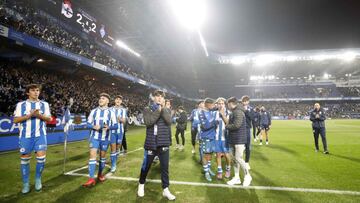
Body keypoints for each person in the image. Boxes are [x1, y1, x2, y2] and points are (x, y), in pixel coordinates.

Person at [13, 84, 52, 193]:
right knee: (25, 160)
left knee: (41, 158)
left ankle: (38, 179)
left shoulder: (44, 104)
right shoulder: (21, 105)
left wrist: (39, 115)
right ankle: (25, 184)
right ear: (27, 92)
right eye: (33, 90)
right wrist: (28, 116)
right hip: (25, 136)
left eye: (37, 90)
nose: (36, 92)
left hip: (40, 136)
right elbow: (15, 120)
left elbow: (49, 119)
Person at [137, 90, 175, 200]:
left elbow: (169, 121)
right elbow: (148, 122)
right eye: (157, 96)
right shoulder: (147, 109)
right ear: (153, 98)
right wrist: (158, 110)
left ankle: (166, 189)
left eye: (161, 96)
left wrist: (162, 109)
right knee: (146, 166)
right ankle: (141, 184)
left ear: (163, 99)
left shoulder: (167, 109)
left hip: (163, 142)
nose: (159, 98)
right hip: (151, 143)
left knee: (165, 168)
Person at [83, 93, 118, 187]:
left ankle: (99, 175)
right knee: (92, 156)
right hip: (94, 137)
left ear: (107, 101)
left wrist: (108, 127)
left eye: (103, 98)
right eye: (100, 98)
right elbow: (87, 124)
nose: (100, 100)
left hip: (105, 139)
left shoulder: (111, 112)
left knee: (102, 158)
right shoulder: (94, 111)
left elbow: (116, 126)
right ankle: (91, 179)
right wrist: (94, 126)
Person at [221, 97, 252, 186]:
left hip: (239, 139)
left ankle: (248, 176)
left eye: (228, 104)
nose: (227, 106)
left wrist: (226, 127)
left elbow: (236, 125)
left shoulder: (238, 112)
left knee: (238, 158)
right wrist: (223, 116)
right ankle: (237, 177)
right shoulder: (234, 112)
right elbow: (230, 124)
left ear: (231, 103)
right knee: (235, 160)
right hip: (234, 138)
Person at [198, 98, 218, 182]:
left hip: (212, 136)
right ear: (207, 104)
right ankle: (206, 172)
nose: (213, 106)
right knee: (205, 155)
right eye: (212, 104)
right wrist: (214, 123)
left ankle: (208, 169)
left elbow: (211, 124)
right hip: (205, 137)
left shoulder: (210, 112)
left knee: (210, 154)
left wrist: (214, 123)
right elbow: (205, 126)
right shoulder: (201, 113)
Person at [214, 98, 231, 179]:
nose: (220, 105)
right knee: (218, 154)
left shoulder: (228, 113)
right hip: (217, 137)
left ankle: (228, 169)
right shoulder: (214, 113)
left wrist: (223, 115)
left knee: (227, 155)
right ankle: (220, 172)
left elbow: (228, 123)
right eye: (219, 103)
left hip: (225, 137)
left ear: (224, 104)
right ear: (217, 104)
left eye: (222, 103)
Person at [110, 95, 126, 173]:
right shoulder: (110, 109)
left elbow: (124, 121)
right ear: (114, 101)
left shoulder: (123, 110)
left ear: (121, 101)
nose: (118, 100)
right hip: (112, 131)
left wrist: (120, 119)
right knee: (113, 148)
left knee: (117, 148)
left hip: (120, 131)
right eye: (117, 99)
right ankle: (113, 165)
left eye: (120, 99)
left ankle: (115, 158)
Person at [241, 96, 253, 170]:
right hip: (240, 129)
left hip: (247, 129)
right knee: (240, 146)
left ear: (248, 101)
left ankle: (247, 162)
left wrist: (246, 111)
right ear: (242, 102)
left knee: (248, 146)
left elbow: (251, 117)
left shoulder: (251, 109)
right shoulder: (239, 108)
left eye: (246, 101)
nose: (245, 102)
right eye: (243, 101)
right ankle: (240, 161)